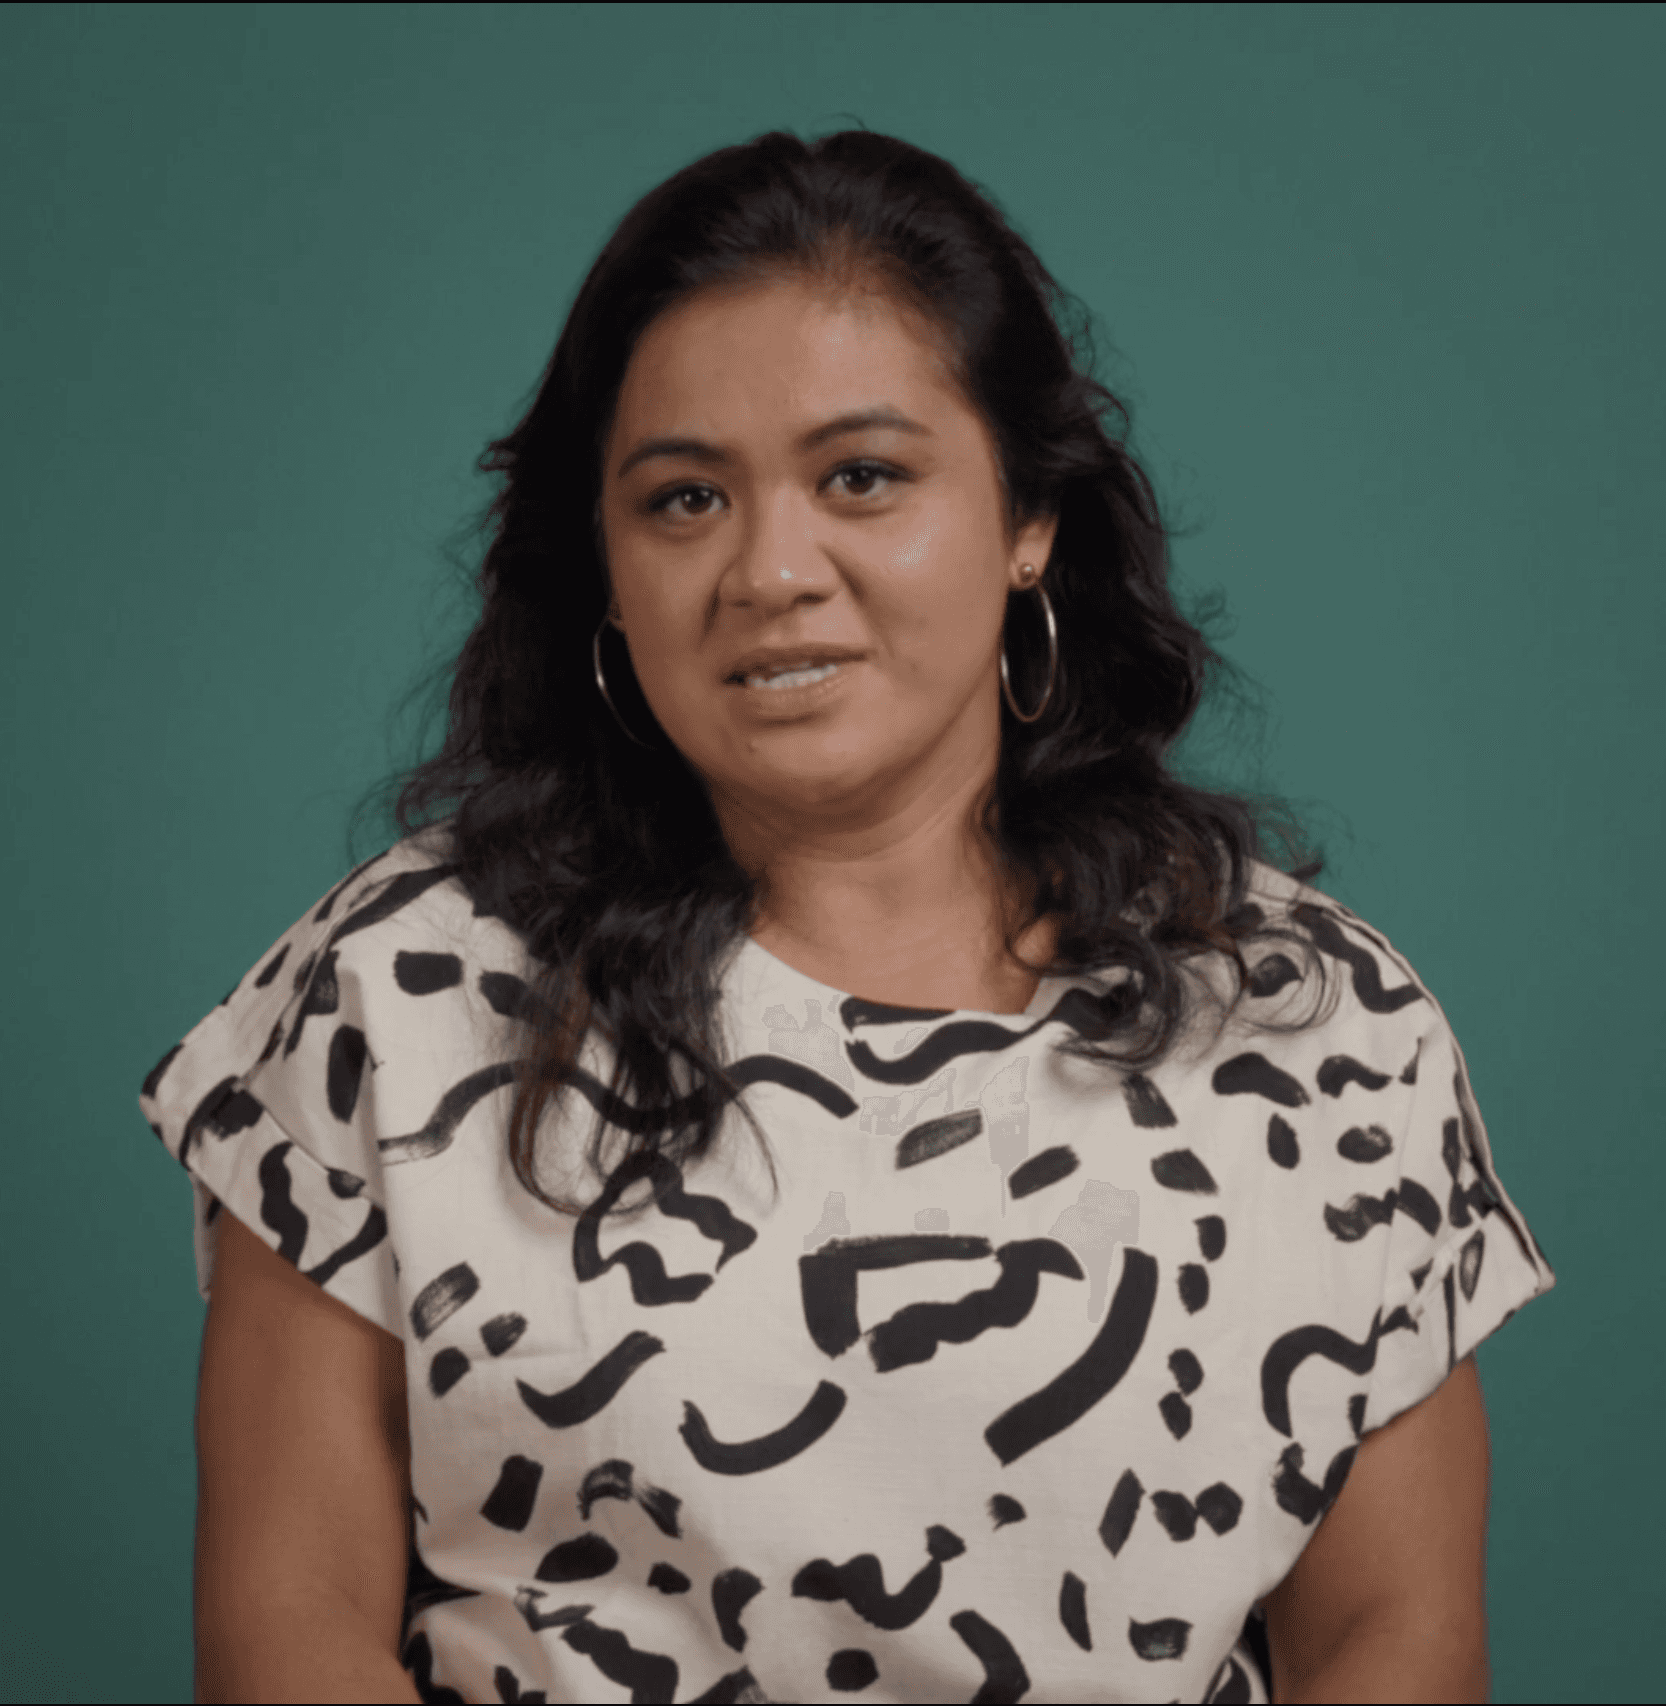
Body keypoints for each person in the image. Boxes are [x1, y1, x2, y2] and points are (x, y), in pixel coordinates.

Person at [138, 129, 1555, 1705]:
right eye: (683, 498)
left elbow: (1395, 1639)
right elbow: (285, 1630)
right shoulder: (394, 994)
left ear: (1031, 522)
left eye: (861, 477)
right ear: (603, 568)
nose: (768, 569)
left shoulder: (1320, 1024)